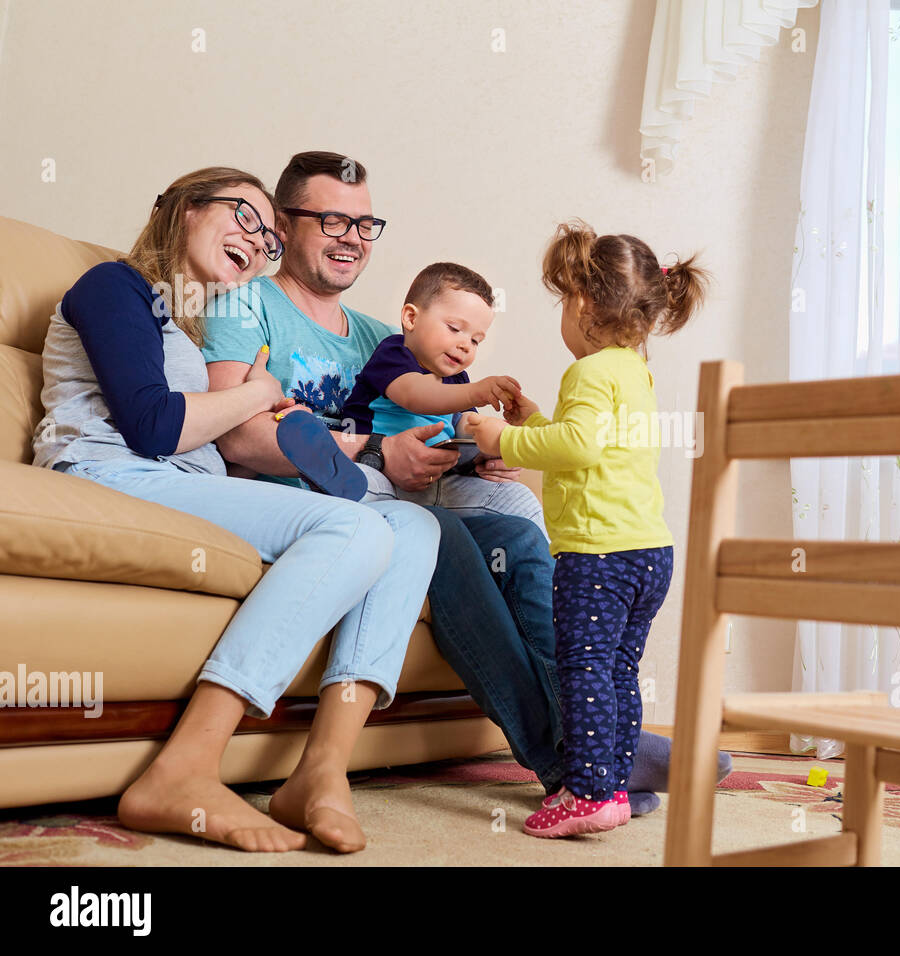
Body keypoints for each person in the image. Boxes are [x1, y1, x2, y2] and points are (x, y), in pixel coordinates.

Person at [201, 152, 730, 817]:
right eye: (333, 219)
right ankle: (574, 760)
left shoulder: (376, 331)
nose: (352, 238)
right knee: (441, 533)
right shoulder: (246, 304)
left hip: (400, 496)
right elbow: (238, 437)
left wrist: (482, 454)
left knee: (516, 534)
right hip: (317, 505)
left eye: (367, 225)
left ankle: (593, 743)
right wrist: (378, 451)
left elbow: (433, 412)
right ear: (283, 222)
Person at [32, 167, 440, 853]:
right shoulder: (114, 287)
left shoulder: (186, 330)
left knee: (412, 524)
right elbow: (153, 426)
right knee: (352, 526)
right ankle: (183, 768)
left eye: (269, 241)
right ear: (186, 208)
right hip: (108, 473)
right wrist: (259, 396)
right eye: (244, 218)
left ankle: (321, 769)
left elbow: (198, 437)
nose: (257, 244)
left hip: (180, 486)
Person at [466, 221, 707, 836]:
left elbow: (576, 446)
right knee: (617, 670)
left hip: (599, 555)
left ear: (581, 302)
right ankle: (617, 784)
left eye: (562, 300)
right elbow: (591, 444)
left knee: (584, 670)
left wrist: (505, 437)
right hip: (649, 551)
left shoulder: (588, 372)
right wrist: (537, 420)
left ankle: (592, 792)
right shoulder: (633, 371)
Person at [333, 260, 544, 533]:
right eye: (455, 328)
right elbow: (415, 394)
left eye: (476, 340)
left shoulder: (457, 379)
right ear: (411, 318)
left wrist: (503, 438)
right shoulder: (394, 354)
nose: (465, 345)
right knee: (357, 482)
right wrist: (476, 391)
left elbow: (466, 424)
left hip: (436, 483)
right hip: (380, 472)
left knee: (518, 498)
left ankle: (559, 573)